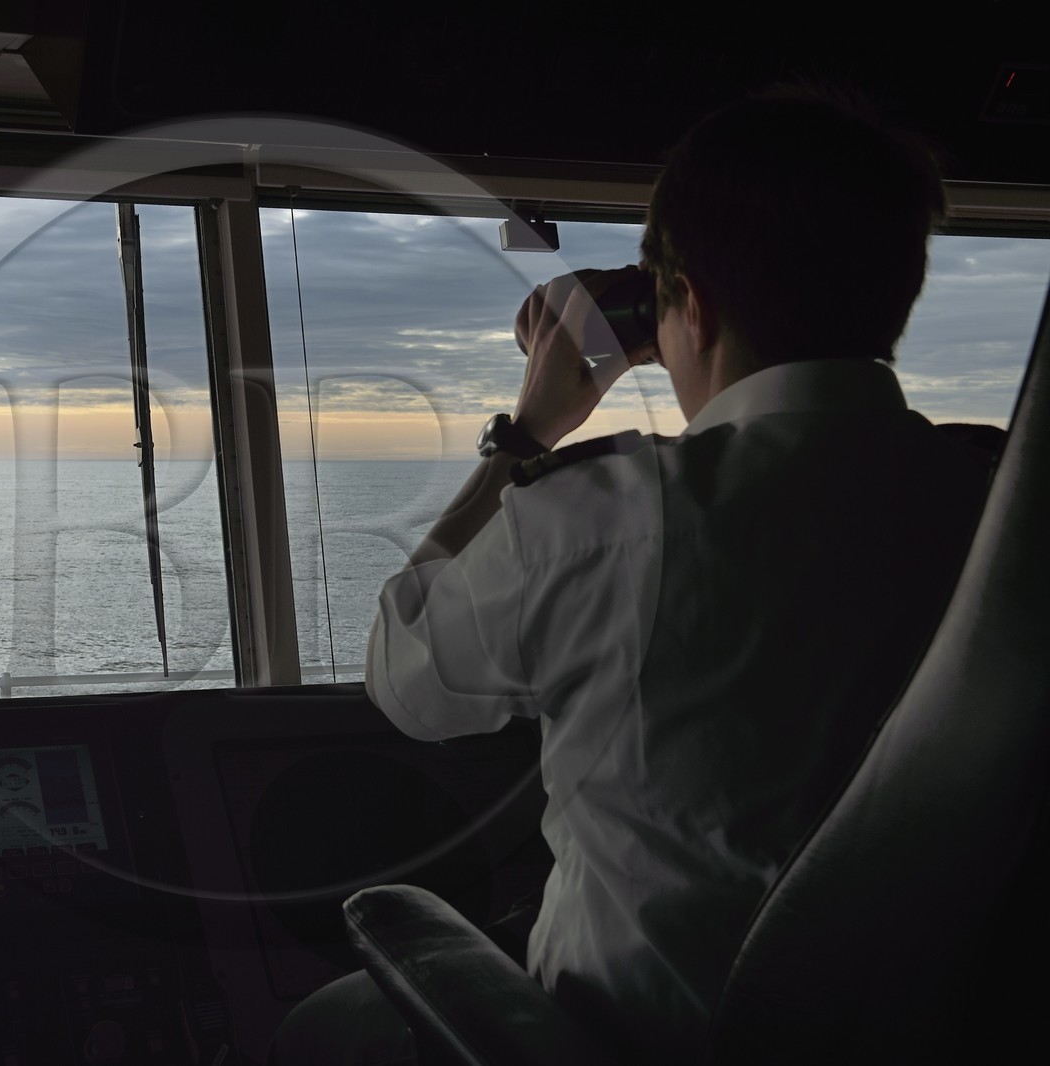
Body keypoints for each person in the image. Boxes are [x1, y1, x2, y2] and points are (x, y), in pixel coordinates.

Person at [272, 88, 997, 1064]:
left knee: (317, 1029)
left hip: (645, 1040)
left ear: (685, 305)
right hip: (948, 1027)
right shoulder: (997, 500)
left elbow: (406, 680)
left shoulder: (607, 516)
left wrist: (526, 432)